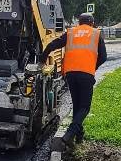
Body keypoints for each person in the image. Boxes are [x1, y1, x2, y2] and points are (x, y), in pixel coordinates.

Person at [41, 12, 107, 149]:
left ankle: (79, 136)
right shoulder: (96, 33)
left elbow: (53, 44)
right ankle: (69, 134)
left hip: (70, 74)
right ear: (92, 23)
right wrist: (92, 68)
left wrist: (43, 58)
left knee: (77, 105)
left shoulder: (71, 32)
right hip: (86, 74)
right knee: (84, 107)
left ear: (79, 23)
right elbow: (103, 57)